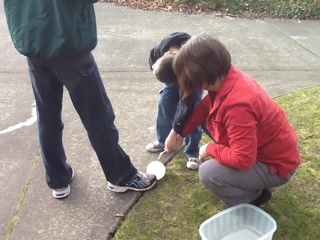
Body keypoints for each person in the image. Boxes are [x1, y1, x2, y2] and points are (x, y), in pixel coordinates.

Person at [4, 0, 156, 199]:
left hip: (34, 47)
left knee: (47, 118)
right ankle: (120, 176)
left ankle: (58, 179)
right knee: (98, 117)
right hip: (69, 48)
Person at [165, 33, 301, 207]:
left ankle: (253, 198)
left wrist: (210, 148)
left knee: (209, 173)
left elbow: (243, 159)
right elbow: (205, 107)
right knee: (212, 121)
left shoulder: (238, 105)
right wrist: (180, 133)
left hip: (275, 165)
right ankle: (249, 183)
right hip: (267, 150)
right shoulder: (226, 77)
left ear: (202, 75)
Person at [147, 32, 203, 170]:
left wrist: (176, 131)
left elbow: (186, 107)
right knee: (164, 104)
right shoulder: (158, 52)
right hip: (172, 69)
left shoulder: (193, 65)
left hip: (190, 77)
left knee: (193, 113)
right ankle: (163, 141)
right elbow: (156, 67)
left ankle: (193, 150)